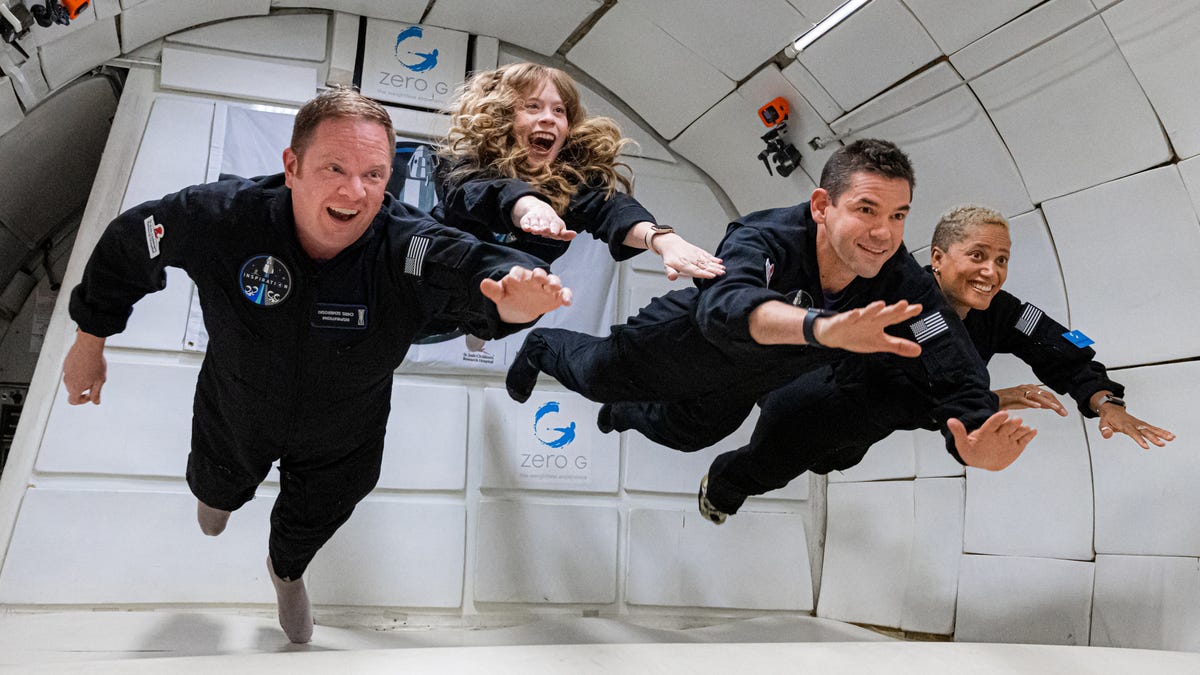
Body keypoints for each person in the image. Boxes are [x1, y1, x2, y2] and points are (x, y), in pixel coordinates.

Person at [60, 88, 572, 643]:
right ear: (292, 166)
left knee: (311, 520)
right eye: (335, 167)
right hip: (236, 405)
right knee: (215, 493)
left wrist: (513, 305)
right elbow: (129, 245)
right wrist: (91, 338)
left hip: (344, 430)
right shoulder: (226, 217)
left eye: (375, 175)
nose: (355, 192)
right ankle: (219, 497)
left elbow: (477, 266)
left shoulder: (405, 245)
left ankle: (287, 572)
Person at [506, 140, 1035, 487]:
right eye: (866, 210)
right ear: (823, 206)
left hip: (753, 376)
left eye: (898, 216)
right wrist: (818, 328)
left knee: (691, 435)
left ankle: (623, 415)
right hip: (682, 340)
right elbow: (724, 305)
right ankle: (544, 346)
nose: (883, 233)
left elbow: (949, 354)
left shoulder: (901, 277)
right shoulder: (766, 234)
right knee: (601, 377)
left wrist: (972, 435)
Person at [700, 204, 1173, 524]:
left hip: (868, 428)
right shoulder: (895, 295)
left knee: (834, 460)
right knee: (758, 470)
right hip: (814, 401)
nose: (992, 271)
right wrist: (989, 400)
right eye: (978, 256)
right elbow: (914, 385)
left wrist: (1104, 400)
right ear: (940, 259)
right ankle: (718, 485)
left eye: (1002, 259)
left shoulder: (1002, 311)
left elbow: (1058, 348)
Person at [432, 62, 724, 282]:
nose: (549, 118)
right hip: (429, 275)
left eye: (559, 111)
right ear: (503, 115)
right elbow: (476, 191)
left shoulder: (571, 184)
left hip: (492, 305)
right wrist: (530, 205)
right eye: (533, 107)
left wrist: (663, 240)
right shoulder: (466, 160)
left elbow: (613, 210)